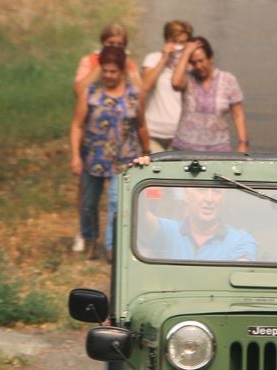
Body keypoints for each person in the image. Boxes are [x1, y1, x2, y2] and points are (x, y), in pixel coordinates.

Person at [69, 46, 151, 261]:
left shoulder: (134, 94)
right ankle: (90, 238)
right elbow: (77, 125)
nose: (108, 76)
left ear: (122, 71)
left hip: (124, 159)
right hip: (93, 157)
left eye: (113, 71)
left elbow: (141, 126)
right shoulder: (91, 93)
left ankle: (112, 246)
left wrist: (147, 151)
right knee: (88, 203)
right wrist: (76, 156)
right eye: (105, 71)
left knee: (116, 203)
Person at [170, 37, 249, 153]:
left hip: (219, 150)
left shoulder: (228, 80)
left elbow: (238, 114)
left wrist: (243, 143)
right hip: (184, 149)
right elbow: (175, 83)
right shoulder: (187, 78)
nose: (198, 66)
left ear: (210, 58)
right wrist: (186, 53)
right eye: (193, 62)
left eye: (201, 61)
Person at [139, 186, 256, 261]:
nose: (209, 199)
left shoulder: (240, 240)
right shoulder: (168, 231)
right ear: (186, 195)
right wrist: (142, 170)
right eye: (202, 190)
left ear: (223, 198)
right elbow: (140, 216)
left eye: (217, 191)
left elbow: (242, 273)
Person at [140, 20, 194, 153]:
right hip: (153, 132)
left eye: (183, 42)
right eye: (176, 41)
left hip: (180, 134)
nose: (179, 46)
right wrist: (164, 59)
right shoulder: (153, 58)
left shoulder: (192, 64)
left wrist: (184, 64)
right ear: (167, 39)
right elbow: (144, 87)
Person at [72, 22, 141, 99]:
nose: (115, 48)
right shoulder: (89, 60)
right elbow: (78, 91)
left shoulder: (129, 63)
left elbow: (141, 92)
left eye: (120, 45)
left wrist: (127, 70)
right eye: (111, 43)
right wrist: (101, 64)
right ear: (103, 43)